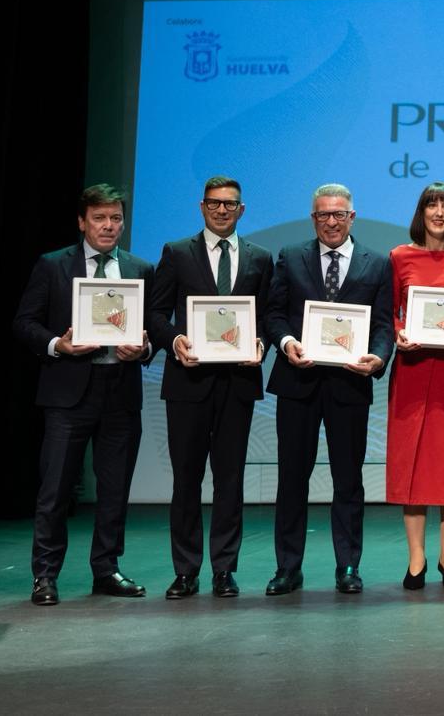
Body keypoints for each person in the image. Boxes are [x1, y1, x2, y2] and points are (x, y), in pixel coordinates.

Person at [12, 183, 154, 606]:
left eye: (116, 219)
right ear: (82, 222)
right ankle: (45, 576)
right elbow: (25, 322)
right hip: (68, 392)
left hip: (120, 391)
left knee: (114, 490)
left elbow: (151, 329)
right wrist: (58, 344)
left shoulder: (139, 269)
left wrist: (144, 348)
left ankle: (106, 570)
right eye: (99, 218)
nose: (108, 226)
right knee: (55, 490)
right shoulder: (53, 265)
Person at [262, 183, 394, 596]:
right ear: (313, 218)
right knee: (291, 479)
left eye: (339, 214)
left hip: (350, 384)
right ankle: (288, 568)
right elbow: (274, 314)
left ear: (352, 217)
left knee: (348, 480)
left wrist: (378, 357)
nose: (331, 222)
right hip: (297, 381)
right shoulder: (291, 256)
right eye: (323, 215)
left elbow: (384, 324)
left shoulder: (377, 263)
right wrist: (287, 343)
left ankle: (348, 565)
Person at [146, 175, 273, 599]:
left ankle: (224, 569)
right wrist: (174, 341)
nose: (222, 210)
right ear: (202, 207)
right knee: (186, 478)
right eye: (214, 203)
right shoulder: (177, 252)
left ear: (242, 210)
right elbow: (155, 314)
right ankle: (185, 570)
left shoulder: (260, 258)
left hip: (238, 383)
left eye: (230, 204)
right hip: (188, 380)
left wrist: (261, 343)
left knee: (230, 479)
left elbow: (267, 316)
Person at [388, 182, 444, 590]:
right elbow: (390, 312)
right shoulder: (399, 257)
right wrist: (397, 333)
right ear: (421, 212)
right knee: (412, 464)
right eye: (432, 205)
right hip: (412, 368)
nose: (439, 213)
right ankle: (415, 559)